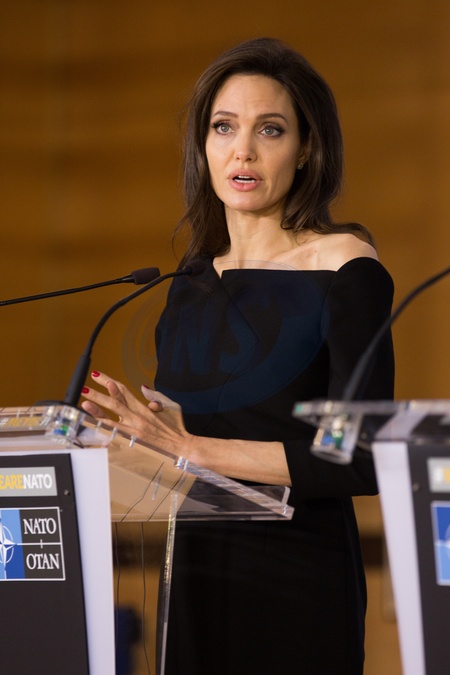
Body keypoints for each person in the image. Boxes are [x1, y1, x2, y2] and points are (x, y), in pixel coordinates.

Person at [81, 37, 395, 675]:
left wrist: (192, 448)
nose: (243, 150)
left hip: (298, 580)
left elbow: (359, 455)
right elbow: (177, 447)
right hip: (194, 570)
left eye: (270, 129)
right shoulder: (190, 282)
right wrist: (123, 443)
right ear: (203, 146)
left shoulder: (345, 268)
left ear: (306, 148)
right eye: (223, 127)